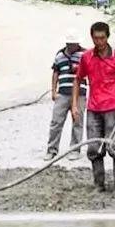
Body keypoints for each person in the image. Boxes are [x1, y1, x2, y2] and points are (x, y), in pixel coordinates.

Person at [72, 22, 115, 192]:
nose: (99, 42)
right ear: (92, 37)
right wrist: (74, 104)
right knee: (94, 147)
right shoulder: (86, 57)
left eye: (102, 38)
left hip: (113, 106)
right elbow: (78, 79)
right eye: (96, 38)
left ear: (107, 37)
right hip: (94, 107)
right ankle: (99, 184)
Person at [45, 29, 87, 161]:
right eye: (70, 43)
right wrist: (53, 91)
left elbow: (90, 71)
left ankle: (75, 149)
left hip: (80, 93)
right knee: (56, 122)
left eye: (74, 44)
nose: (72, 46)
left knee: (77, 121)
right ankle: (52, 149)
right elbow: (55, 72)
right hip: (62, 93)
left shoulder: (85, 54)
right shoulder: (59, 55)